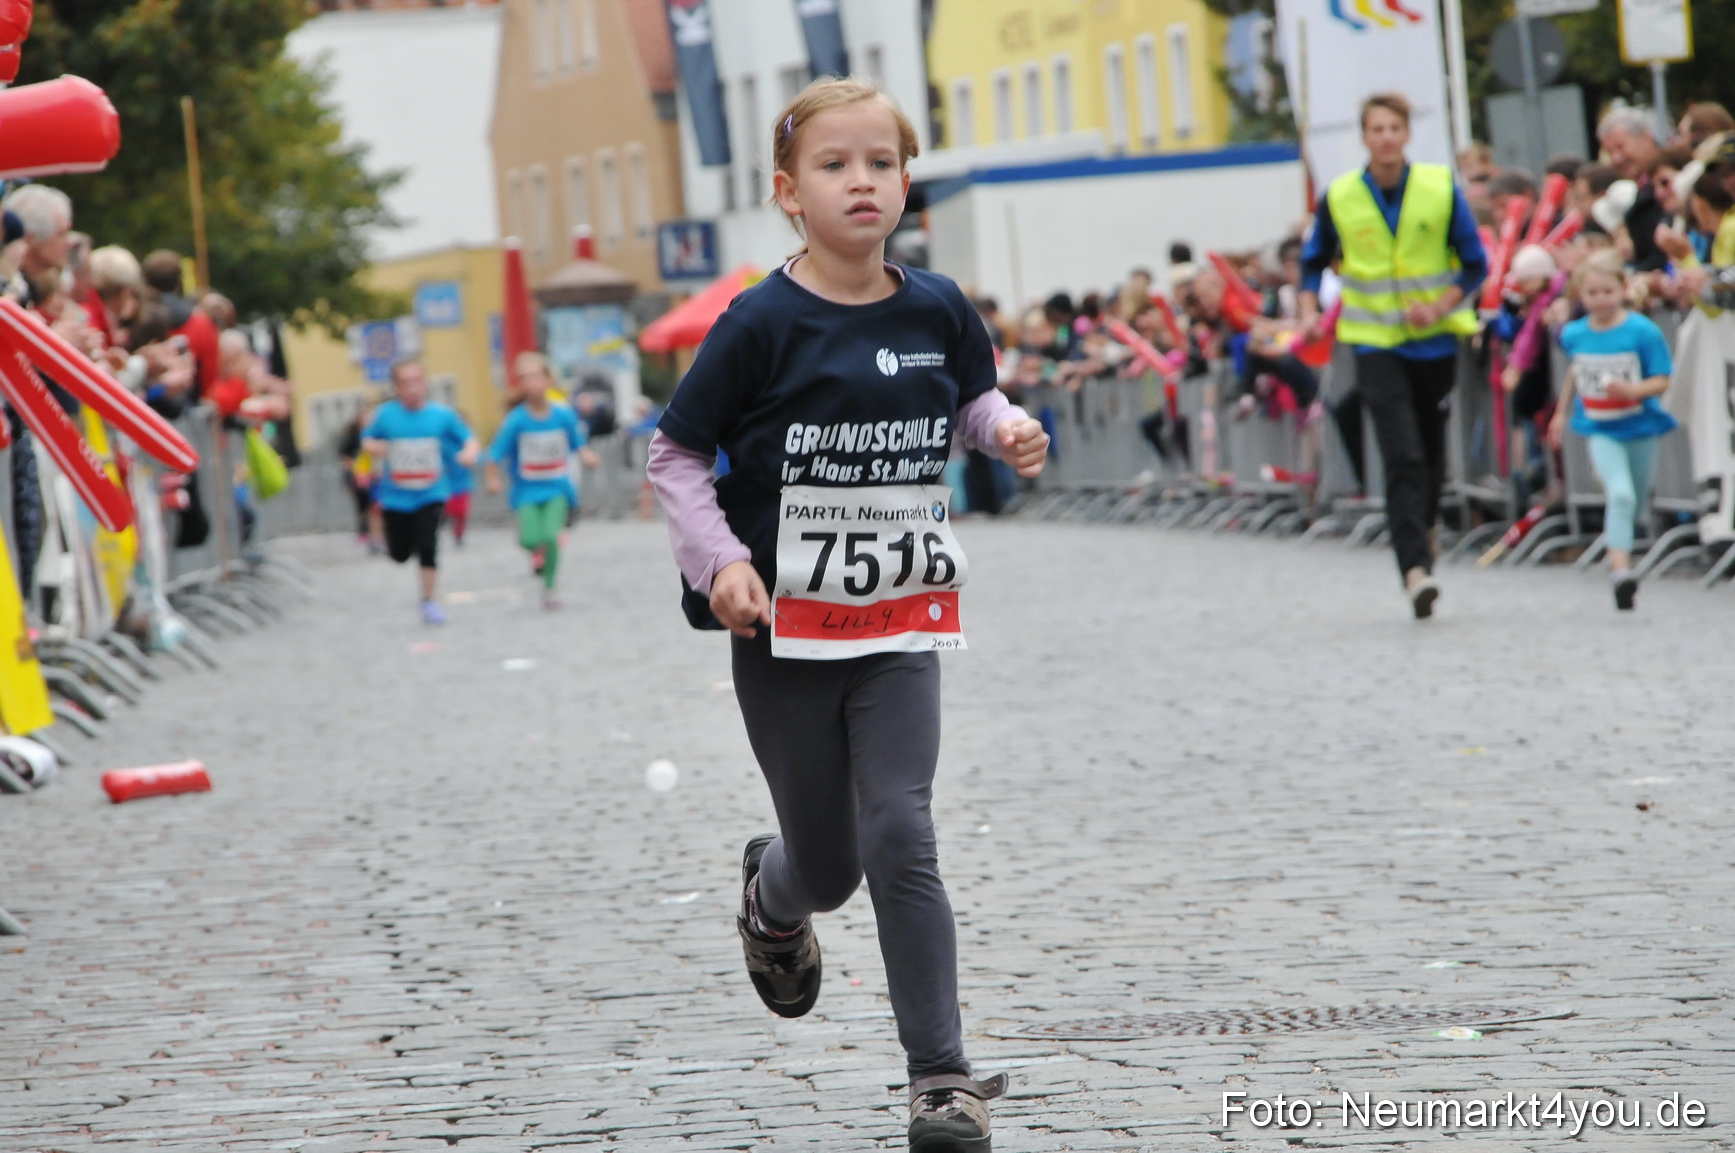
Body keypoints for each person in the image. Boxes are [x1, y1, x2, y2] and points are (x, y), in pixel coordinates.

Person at [644, 77, 1048, 1153]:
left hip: (899, 620)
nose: (861, 180)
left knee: (900, 830)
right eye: (835, 165)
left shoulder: (937, 307)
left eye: (880, 162)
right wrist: (723, 562)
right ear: (787, 192)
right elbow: (675, 453)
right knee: (826, 865)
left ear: (907, 182)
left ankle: (941, 1080)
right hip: (781, 628)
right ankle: (771, 898)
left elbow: (965, 395)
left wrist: (1004, 426)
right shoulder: (760, 322)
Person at [1299, 91, 1487, 618]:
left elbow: (1475, 265)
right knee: (1400, 454)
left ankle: (1423, 532)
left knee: (1429, 454)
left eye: (1393, 128)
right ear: (1363, 136)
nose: (1385, 137)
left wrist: (1443, 302)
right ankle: (1414, 571)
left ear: (1406, 134)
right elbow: (1311, 262)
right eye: (1376, 129)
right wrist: (1309, 308)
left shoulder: (1438, 187)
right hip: (1374, 342)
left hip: (1433, 342)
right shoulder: (1339, 196)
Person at [1548, 250, 1677, 610]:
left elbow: (1662, 379)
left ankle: (1620, 545)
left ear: (1622, 289)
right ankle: (1621, 574)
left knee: (1634, 499)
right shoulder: (1574, 333)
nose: (1601, 300)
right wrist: (1560, 414)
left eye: (1607, 291)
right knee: (1620, 496)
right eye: (1592, 293)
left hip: (1640, 425)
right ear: (1580, 296)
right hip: (1600, 427)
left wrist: (1632, 391)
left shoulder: (1643, 331)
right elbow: (1576, 370)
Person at [361, 358, 478, 624]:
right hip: (396, 496)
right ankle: (402, 546)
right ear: (396, 387)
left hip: (431, 491)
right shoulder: (386, 415)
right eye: (405, 383)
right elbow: (367, 439)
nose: (412, 388)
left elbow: (468, 438)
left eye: (417, 381)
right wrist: (375, 447)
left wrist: (469, 453)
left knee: (428, 545)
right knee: (400, 554)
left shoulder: (442, 415)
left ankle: (428, 601)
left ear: (425, 384)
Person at [485, 353, 599, 609]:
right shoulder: (516, 420)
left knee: (550, 535)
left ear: (548, 380)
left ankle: (549, 589)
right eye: (524, 378)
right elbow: (494, 453)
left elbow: (578, 443)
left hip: (557, 488)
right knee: (528, 539)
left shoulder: (563, 415)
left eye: (536, 377)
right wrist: (492, 479)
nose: (531, 383)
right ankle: (537, 554)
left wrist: (588, 456)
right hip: (526, 490)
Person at [1597, 106, 1669, 272]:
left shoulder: (1667, 181)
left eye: (1620, 147)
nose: (1616, 158)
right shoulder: (1641, 187)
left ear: (1645, 137)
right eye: (1610, 152)